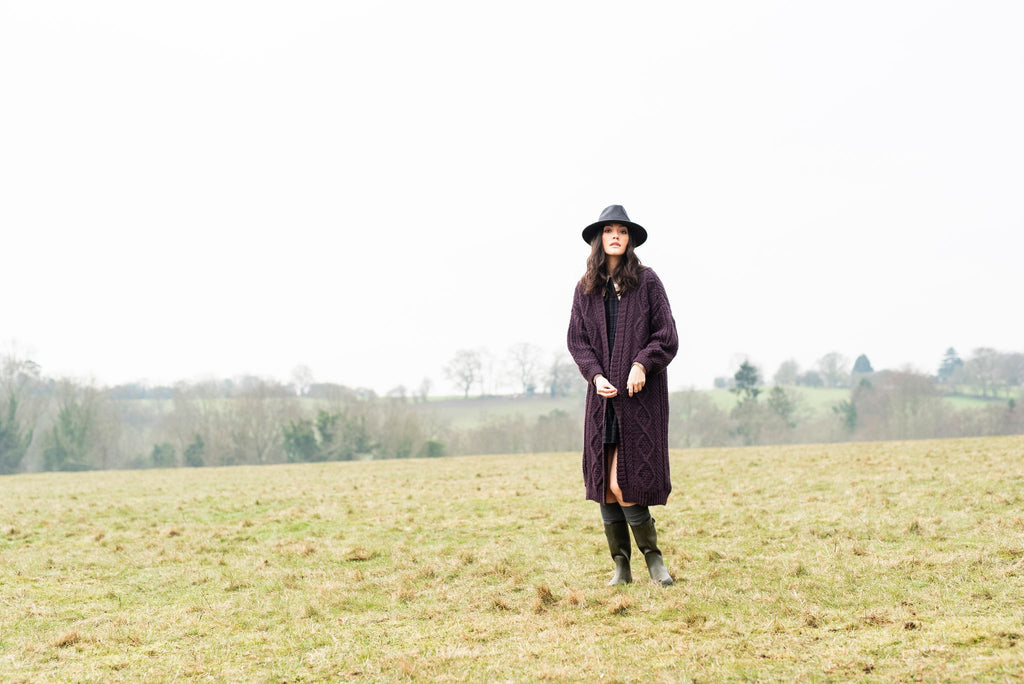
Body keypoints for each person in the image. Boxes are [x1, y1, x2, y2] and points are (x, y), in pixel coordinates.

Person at [567, 205, 679, 586]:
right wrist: (595, 375)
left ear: (630, 240)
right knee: (605, 486)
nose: (616, 236)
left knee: (623, 483)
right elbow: (577, 341)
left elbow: (666, 336)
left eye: (623, 231)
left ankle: (654, 560)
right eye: (609, 230)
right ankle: (621, 566)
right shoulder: (586, 289)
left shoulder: (647, 282)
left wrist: (642, 364)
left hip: (638, 400)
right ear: (599, 239)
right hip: (602, 401)